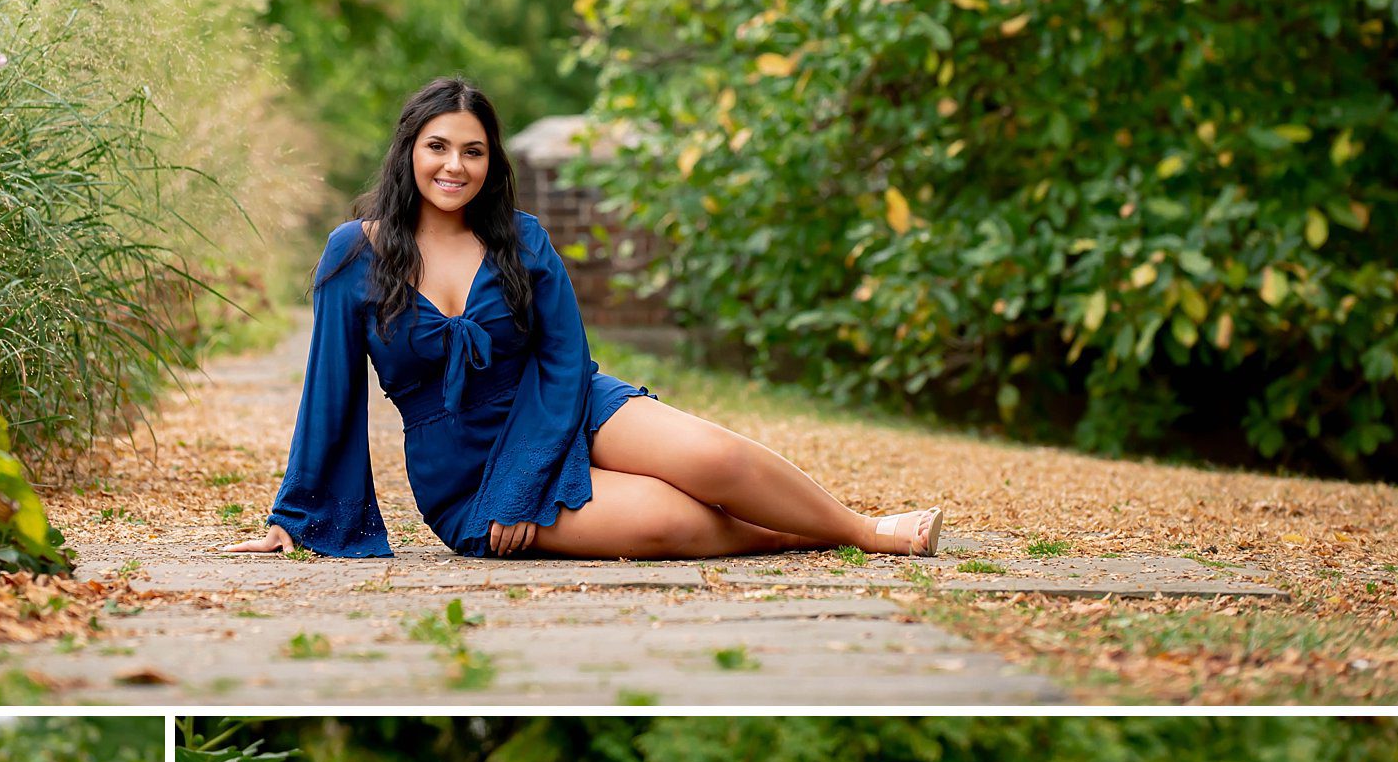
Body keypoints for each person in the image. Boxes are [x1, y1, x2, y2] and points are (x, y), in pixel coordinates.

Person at [224, 76, 942, 561]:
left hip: (564, 404)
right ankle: (794, 535)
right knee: (672, 518)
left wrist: (526, 480)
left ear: (490, 160)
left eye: (472, 150)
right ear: (409, 150)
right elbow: (328, 393)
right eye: (437, 147)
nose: (454, 165)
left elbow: (566, 360)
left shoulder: (521, 237)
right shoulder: (354, 255)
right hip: (468, 472)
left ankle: (863, 530)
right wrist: (294, 517)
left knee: (714, 460)